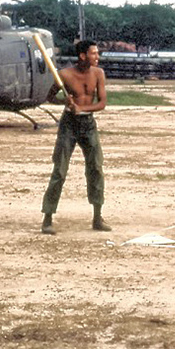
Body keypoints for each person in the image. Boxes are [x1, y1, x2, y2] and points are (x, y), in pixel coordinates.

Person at [41, 40, 111, 234]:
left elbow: (102, 103)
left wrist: (82, 108)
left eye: (97, 53)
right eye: (94, 54)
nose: (97, 57)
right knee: (60, 171)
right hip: (68, 126)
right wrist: (64, 101)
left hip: (88, 125)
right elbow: (50, 97)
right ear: (82, 55)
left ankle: (97, 217)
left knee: (96, 168)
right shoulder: (64, 75)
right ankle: (47, 217)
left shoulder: (98, 74)